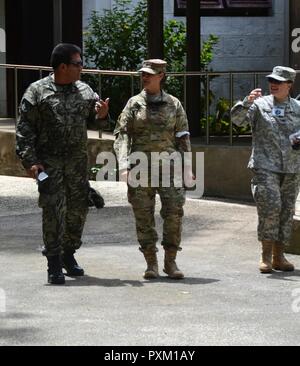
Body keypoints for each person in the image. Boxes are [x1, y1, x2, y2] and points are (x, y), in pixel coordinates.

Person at [16, 43, 109, 284]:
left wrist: (101, 116)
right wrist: (31, 161)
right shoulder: (37, 92)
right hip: (50, 165)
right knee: (53, 212)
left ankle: (69, 254)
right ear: (63, 66)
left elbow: (98, 124)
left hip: (77, 165)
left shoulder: (85, 91)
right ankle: (54, 262)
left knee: (77, 212)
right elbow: (24, 130)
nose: (82, 68)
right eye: (78, 64)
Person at [113, 59, 194, 279]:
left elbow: (182, 136)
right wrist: (123, 165)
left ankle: (171, 262)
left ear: (161, 76)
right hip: (140, 167)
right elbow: (122, 135)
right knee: (143, 216)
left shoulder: (174, 103)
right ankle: (151, 263)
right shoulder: (134, 104)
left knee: (174, 213)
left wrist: (188, 167)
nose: (145, 77)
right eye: (143, 73)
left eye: (150, 73)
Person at [231, 66, 300, 273]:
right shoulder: (259, 105)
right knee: (271, 208)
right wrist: (246, 103)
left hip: (292, 167)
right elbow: (237, 121)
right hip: (265, 166)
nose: (274, 84)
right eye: (272, 80)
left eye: (279, 81)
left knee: (286, 211)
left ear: (289, 85)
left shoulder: (297, 107)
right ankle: (265, 255)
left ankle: (279, 256)